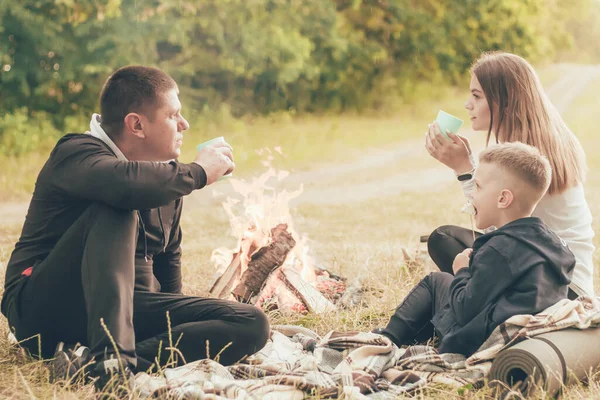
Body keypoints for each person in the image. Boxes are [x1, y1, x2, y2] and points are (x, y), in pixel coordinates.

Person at [0, 66, 270, 391]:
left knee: (251, 323)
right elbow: (123, 185)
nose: (185, 125)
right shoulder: (76, 153)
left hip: (125, 309)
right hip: (43, 307)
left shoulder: (163, 181)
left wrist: (180, 315)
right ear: (137, 124)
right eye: (174, 115)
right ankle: (108, 362)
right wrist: (198, 173)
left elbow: (169, 258)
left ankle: (100, 363)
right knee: (118, 207)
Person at [376, 142, 575, 356]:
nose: (471, 195)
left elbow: (464, 310)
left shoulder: (499, 249)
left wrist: (462, 270)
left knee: (436, 282)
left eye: (478, 187)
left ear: (503, 199)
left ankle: (386, 339)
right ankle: (412, 335)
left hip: (479, 341)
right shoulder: (553, 244)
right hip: (527, 337)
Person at [424, 52, 594, 300]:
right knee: (445, 237)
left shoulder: (525, 154)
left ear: (504, 101)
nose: (467, 105)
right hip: (561, 276)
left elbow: (496, 224)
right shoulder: (543, 140)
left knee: (445, 242)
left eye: (476, 96)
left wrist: (463, 169)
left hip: (556, 286)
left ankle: (471, 307)